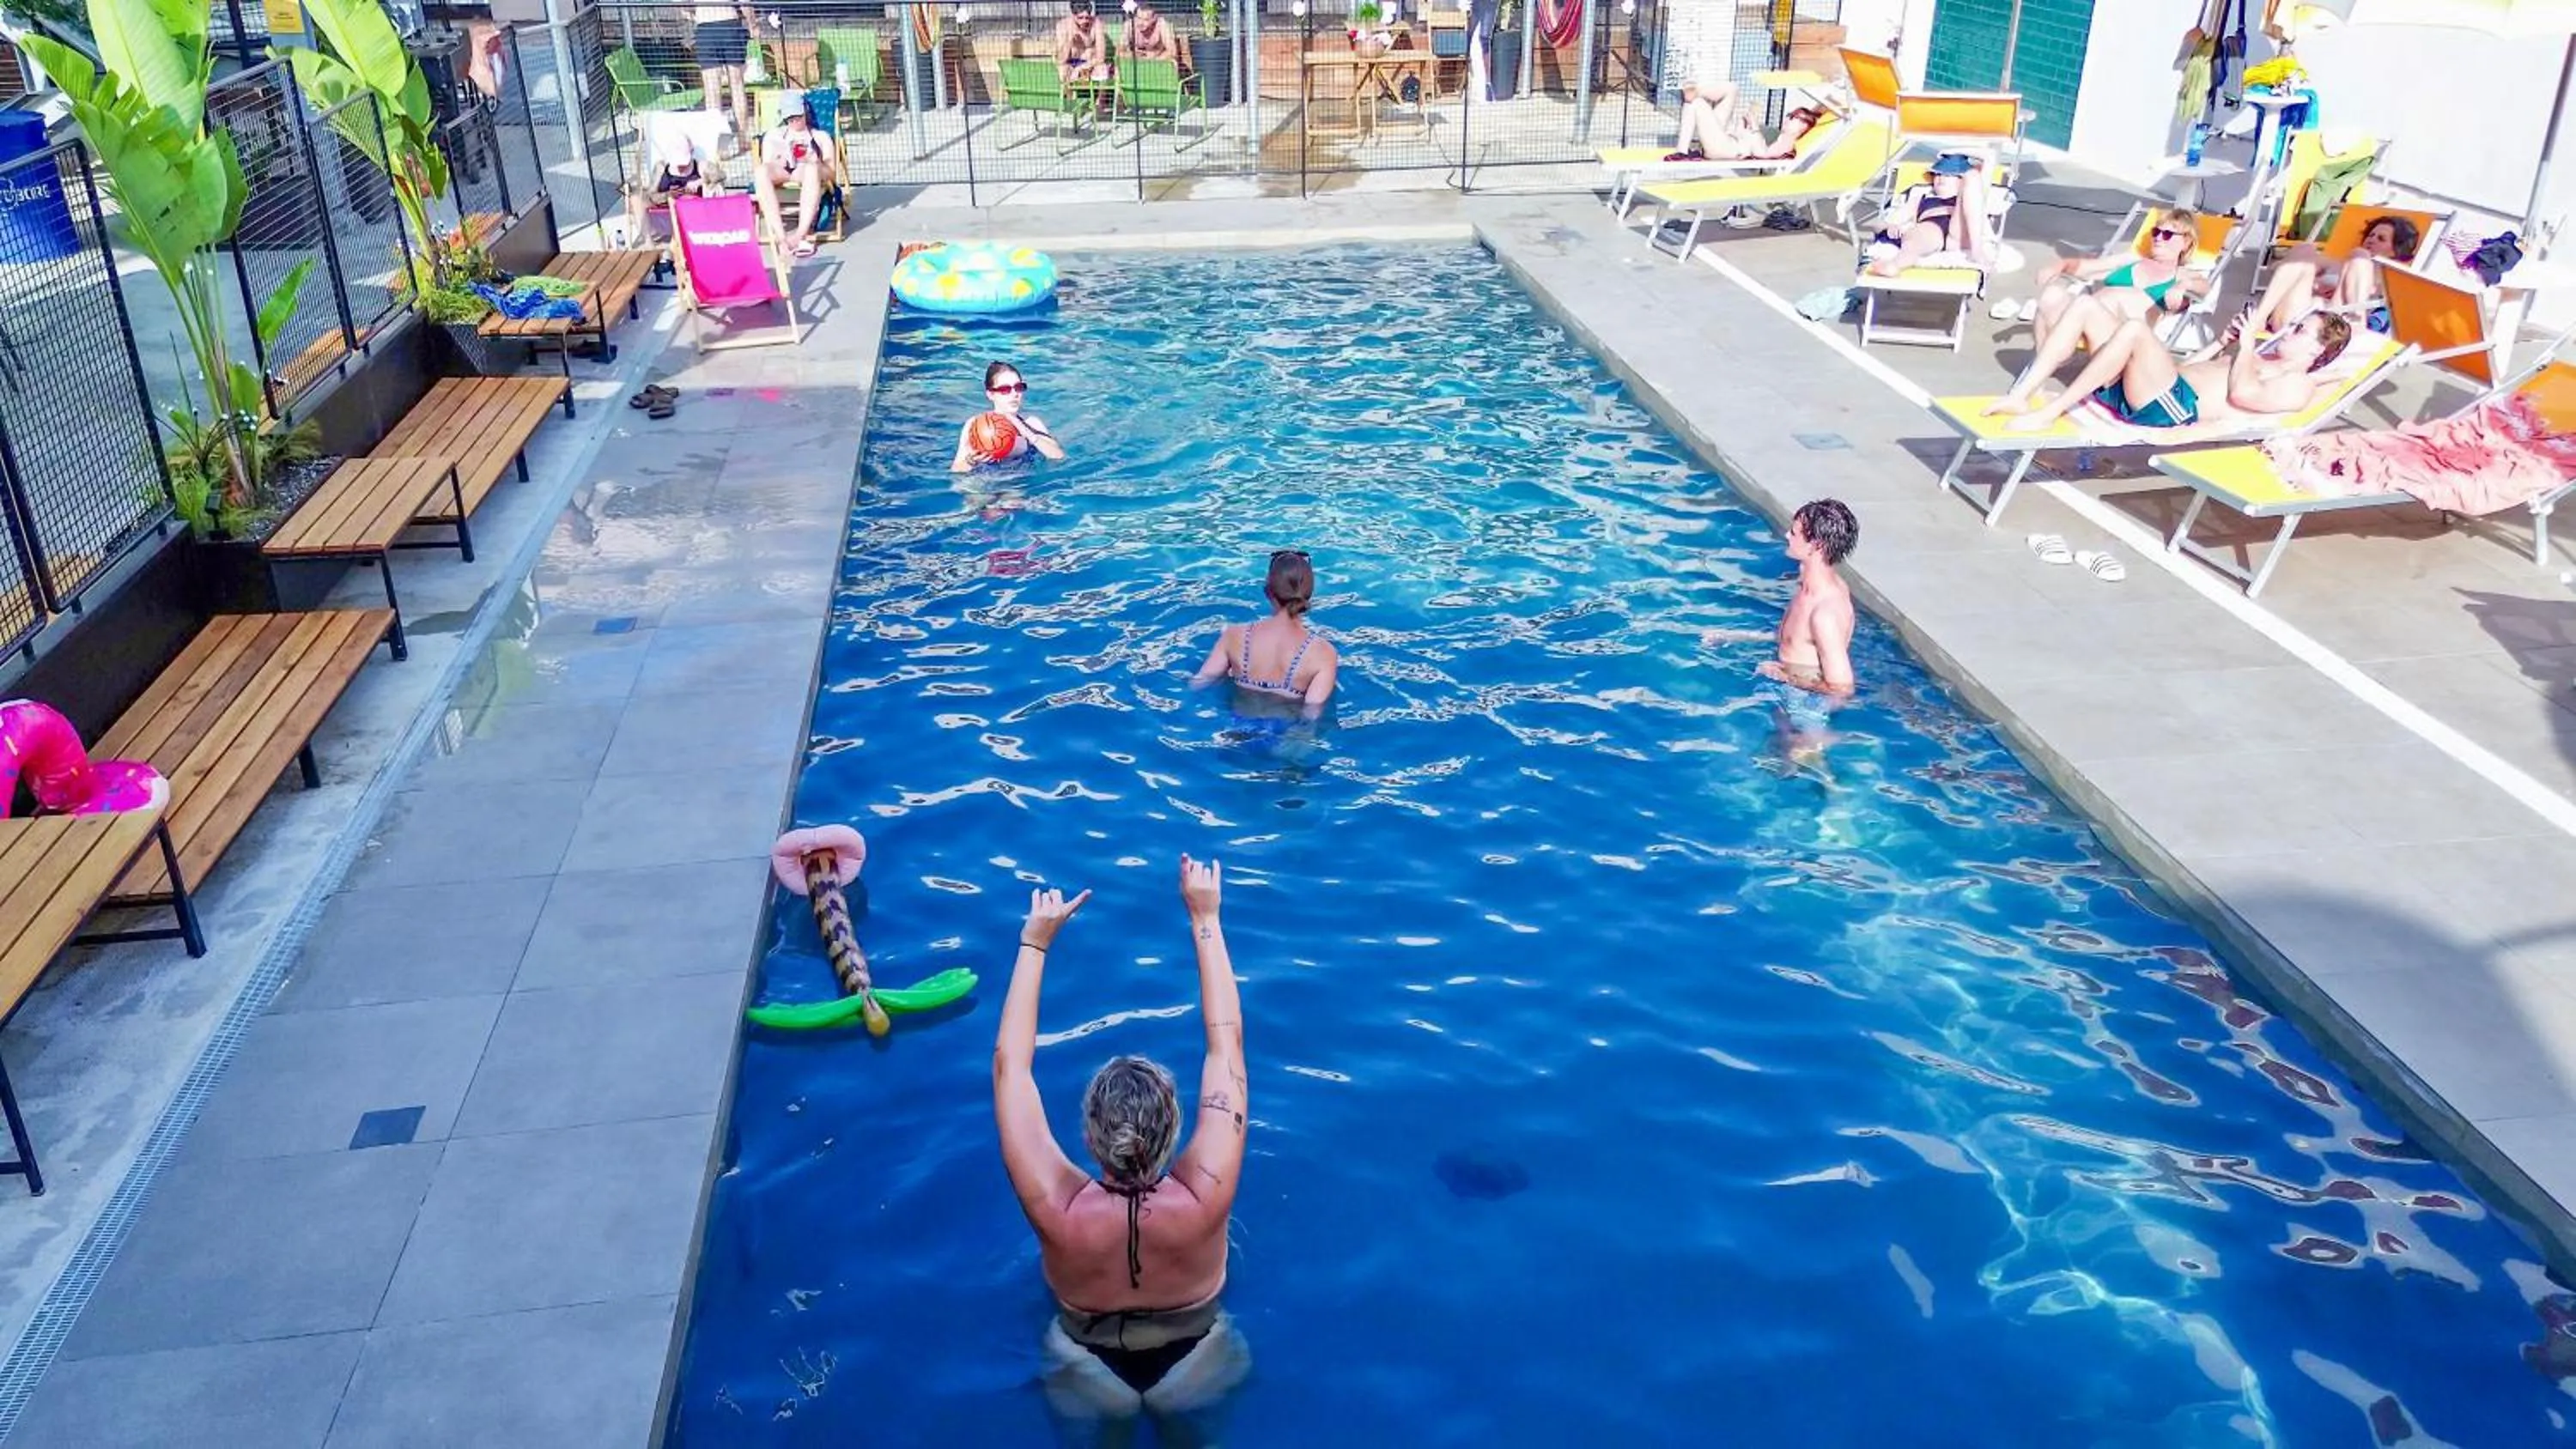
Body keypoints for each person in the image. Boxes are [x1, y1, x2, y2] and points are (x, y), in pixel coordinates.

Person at [994, 859, 1253, 1441]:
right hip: (1198, 1358)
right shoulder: (1207, 1192)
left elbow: (1011, 1071)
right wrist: (1205, 917)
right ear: (1176, 1127)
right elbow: (1226, 1045)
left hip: (1084, 1364)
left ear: (1089, 1137)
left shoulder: (1056, 1209)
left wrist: (1034, 945)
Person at [1986, 306, 2355, 434]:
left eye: (2300, 330)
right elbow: (2185, 369)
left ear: (2317, 349)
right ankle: (2021, 396)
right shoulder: (2261, 358)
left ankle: (2051, 412)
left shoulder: (2297, 384)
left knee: (2133, 328)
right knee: (2085, 306)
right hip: (2157, 390)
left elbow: (2243, 396)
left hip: (2170, 410)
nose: (2288, 331)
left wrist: (2243, 349)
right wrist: (2219, 343)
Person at [1707, 500, 1857, 762]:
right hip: (1792, 691)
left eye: (1795, 533)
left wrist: (1784, 676)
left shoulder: (1824, 613)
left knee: (1809, 767)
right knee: (1775, 760)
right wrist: (1735, 637)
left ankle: (1838, 798)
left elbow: (1842, 688)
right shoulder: (1810, 585)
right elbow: (1794, 638)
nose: (1787, 535)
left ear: (1816, 545)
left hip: (1805, 704)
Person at [2212, 213, 2421, 350]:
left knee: (2358, 256)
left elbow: (2386, 316)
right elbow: (2278, 268)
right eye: (2371, 234)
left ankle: (2357, 322)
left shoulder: (2392, 282)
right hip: (2298, 320)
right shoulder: (2339, 263)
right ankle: (2260, 316)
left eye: (2381, 239)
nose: (2371, 239)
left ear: (2396, 250)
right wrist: (2314, 284)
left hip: (2335, 334)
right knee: (2305, 250)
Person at [2014, 209, 2211, 343]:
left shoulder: (2183, 275)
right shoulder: (2130, 260)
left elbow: (2203, 288)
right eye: (2156, 232)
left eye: (2167, 235)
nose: (2159, 238)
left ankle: (2058, 350)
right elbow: (2085, 267)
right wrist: (2058, 266)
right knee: (2052, 294)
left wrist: (2182, 286)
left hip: (2121, 337)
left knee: (2110, 296)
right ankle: (2039, 382)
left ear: (2186, 243)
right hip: (2086, 317)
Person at [1191, 549, 1340, 722]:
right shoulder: (1324, 654)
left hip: (1237, 727)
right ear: (1308, 595)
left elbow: (1199, 684)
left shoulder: (1233, 636)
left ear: (1267, 592)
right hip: (1284, 733)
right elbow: (1311, 716)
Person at [1864, 151, 1990, 277]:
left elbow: (1988, 159)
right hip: (1933, 230)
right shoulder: (1920, 198)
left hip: (1960, 232)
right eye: (1937, 174)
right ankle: (1895, 265)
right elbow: (1880, 224)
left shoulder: (1971, 197)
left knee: (1973, 175)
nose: (1941, 178)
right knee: (1914, 238)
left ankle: (1977, 250)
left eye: (1949, 174)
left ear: (1961, 180)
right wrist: (1890, 226)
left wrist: (1961, 151)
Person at [1669, 76, 1824, 163]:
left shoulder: (1787, 142)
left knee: (1698, 104)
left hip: (1725, 149)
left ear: (1803, 127)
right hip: (1728, 141)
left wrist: (1755, 127)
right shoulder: (1779, 136)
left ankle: (1681, 151)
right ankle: (1698, 91)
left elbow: (1762, 154)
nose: (1788, 118)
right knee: (1731, 89)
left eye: (1795, 118)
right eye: (1790, 115)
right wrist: (1744, 127)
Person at [753, 103, 839, 258]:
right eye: (789, 119)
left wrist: (815, 161)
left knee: (812, 169)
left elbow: (832, 173)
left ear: (805, 113)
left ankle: (801, 234)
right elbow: (766, 163)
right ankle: (781, 237)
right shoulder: (773, 136)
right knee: (761, 171)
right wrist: (777, 160)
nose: (793, 122)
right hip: (783, 171)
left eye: (797, 117)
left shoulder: (820, 136)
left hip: (805, 172)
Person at [952, 362, 1066, 473]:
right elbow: (957, 470)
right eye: (1005, 389)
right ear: (990, 394)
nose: (1014, 394)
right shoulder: (976, 426)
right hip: (986, 479)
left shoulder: (1031, 423)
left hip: (1020, 482)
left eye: (1018, 387)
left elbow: (1059, 457)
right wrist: (971, 461)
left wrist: (1028, 434)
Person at [624, 148, 722, 248]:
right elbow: (651, 194)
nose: (681, 167)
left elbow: (721, 175)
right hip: (666, 202)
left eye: (684, 164)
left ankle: (688, 239)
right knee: (635, 199)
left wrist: (699, 182)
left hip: (690, 208)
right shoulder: (661, 167)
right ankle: (648, 242)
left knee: (688, 199)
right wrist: (667, 195)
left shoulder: (701, 166)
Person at [692, 3, 755, 150]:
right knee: (737, 85)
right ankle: (743, 138)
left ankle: (719, 147)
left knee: (712, 91)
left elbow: (682, 5)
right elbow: (745, 3)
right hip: (729, 23)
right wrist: (753, 24)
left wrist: (693, 13)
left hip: (705, 25)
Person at [1124, 0, 1188, 71]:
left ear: (1154, 19)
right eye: (1139, 18)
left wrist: (1154, 61)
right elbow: (1120, 51)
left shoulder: (1162, 25)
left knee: (1173, 62)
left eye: (1146, 20)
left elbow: (1172, 52)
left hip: (1159, 62)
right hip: (1136, 62)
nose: (1141, 23)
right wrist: (1133, 56)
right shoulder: (1130, 24)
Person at [1057, 0, 1111, 82]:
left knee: (1102, 68)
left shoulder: (1097, 24)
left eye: (1087, 18)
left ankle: (1102, 96)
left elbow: (1101, 57)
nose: (1084, 21)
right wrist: (1069, 40)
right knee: (1062, 71)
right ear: (1073, 15)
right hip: (1072, 63)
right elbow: (1061, 59)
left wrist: (1083, 67)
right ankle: (1070, 95)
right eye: (1080, 18)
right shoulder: (1063, 26)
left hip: (1093, 63)